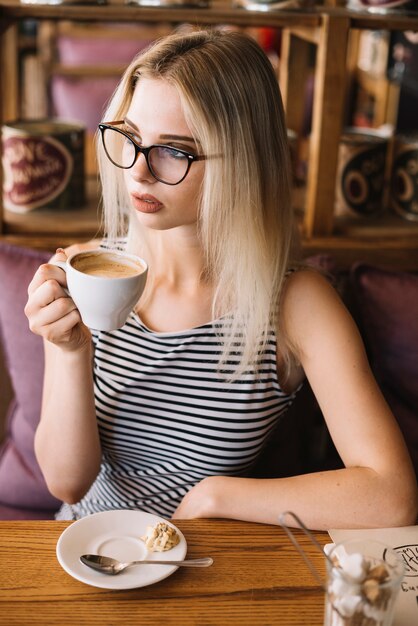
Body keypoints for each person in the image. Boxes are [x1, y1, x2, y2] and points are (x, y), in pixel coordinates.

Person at [25, 29, 417, 529]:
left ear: (245, 162)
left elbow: (392, 496)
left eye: (175, 151)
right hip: (85, 552)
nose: (139, 172)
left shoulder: (295, 303)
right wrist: (70, 348)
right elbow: (67, 483)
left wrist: (218, 497)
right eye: (130, 138)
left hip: (206, 569)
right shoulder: (86, 270)